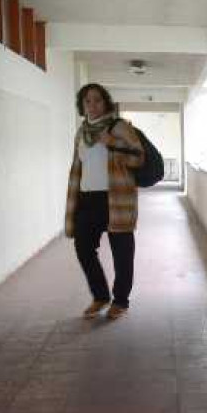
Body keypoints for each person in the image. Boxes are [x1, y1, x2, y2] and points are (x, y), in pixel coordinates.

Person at [64, 83, 144, 319]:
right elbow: (79, 167)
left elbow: (139, 158)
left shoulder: (119, 127)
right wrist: (76, 198)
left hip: (116, 198)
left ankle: (120, 301)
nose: (92, 105)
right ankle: (100, 296)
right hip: (88, 199)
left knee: (122, 252)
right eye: (87, 101)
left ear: (105, 102)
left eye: (97, 100)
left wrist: (112, 142)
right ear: (82, 105)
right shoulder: (81, 133)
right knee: (83, 247)